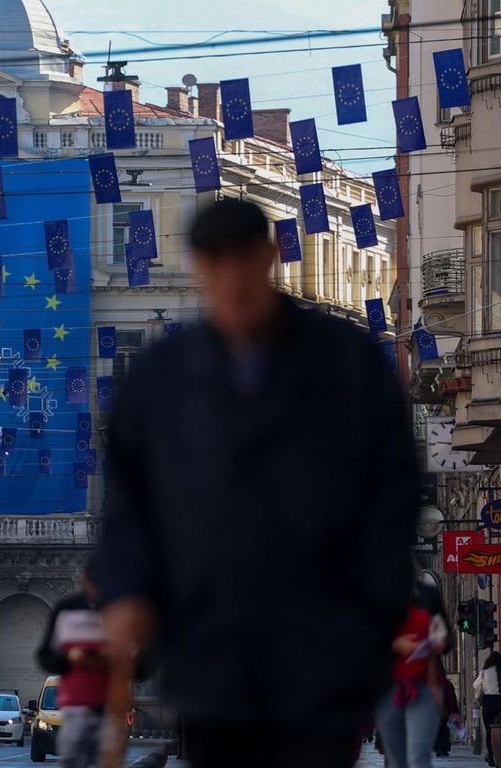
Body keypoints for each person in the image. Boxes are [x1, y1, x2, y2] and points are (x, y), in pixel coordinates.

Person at [97, 199, 420, 768]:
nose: (232, 279)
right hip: (208, 650)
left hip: (323, 649)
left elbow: (391, 496)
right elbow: (130, 505)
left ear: (268, 257)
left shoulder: (346, 364)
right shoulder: (160, 380)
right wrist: (128, 593)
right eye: (215, 263)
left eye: (244, 260)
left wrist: (369, 615)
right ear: (197, 267)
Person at [36, 559, 107, 768]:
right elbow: (45, 657)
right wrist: (68, 658)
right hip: (74, 707)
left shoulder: (122, 611)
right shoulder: (66, 610)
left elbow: (142, 664)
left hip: (111, 707)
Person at [376, 576, 453, 768]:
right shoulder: (374, 594)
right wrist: (394, 645)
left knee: (419, 757)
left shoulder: (427, 594)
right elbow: (363, 637)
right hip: (388, 686)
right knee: (395, 759)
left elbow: (447, 637)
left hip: (425, 685)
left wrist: (440, 642)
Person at [475, 651, 501, 765]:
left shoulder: (485, 672)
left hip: (489, 702)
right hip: (500, 701)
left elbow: (475, 685)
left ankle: (491, 756)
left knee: (489, 731)